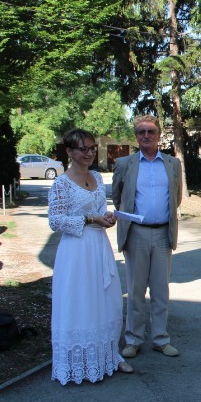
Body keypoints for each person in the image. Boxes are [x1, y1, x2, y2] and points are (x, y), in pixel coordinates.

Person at [48, 128, 133, 385]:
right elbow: (55, 221)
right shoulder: (61, 183)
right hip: (76, 251)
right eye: (82, 149)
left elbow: (99, 210)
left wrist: (106, 217)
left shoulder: (96, 176)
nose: (89, 153)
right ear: (69, 151)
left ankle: (109, 355)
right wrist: (90, 219)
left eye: (92, 148)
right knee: (80, 301)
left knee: (105, 300)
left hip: (98, 246)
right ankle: (79, 362)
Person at [112, 115, 182, 359]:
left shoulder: (172, 164)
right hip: (136, 234)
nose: (146, 135)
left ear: (159, 135)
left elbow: (176, 198)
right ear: (136, 136)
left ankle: (161, 339)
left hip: (163, 234)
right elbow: (118, 197)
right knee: (135, 291)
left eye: (151, 131)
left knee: (161, 290)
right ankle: (133, 340)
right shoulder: (125, 164)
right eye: (141, 131)